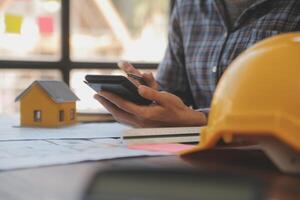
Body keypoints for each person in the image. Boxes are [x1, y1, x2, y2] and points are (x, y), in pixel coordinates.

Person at [94, 0, 300, 128]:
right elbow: (176, 93)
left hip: (272, 162)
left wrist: (203, 119)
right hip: (194, 159)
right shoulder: (187, 6)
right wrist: (156, 98)